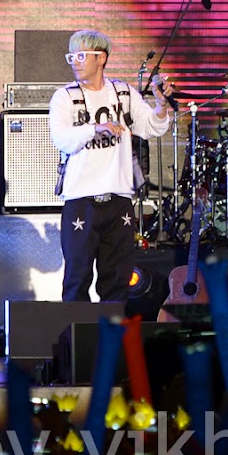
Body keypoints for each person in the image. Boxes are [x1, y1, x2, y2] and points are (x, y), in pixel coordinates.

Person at [48, 29, 173, 302]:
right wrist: (95, 128)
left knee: (117, 282)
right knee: (77, 279)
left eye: (82, 56)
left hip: (118, 200)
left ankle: (112, 330)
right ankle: (77, 330)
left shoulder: (123, 93)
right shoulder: (64, 97)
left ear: (101, 58)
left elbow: (152, 126)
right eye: (72, 56)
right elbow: (62, 140)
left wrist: (161, 104)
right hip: (81, 200)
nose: (75, 62)